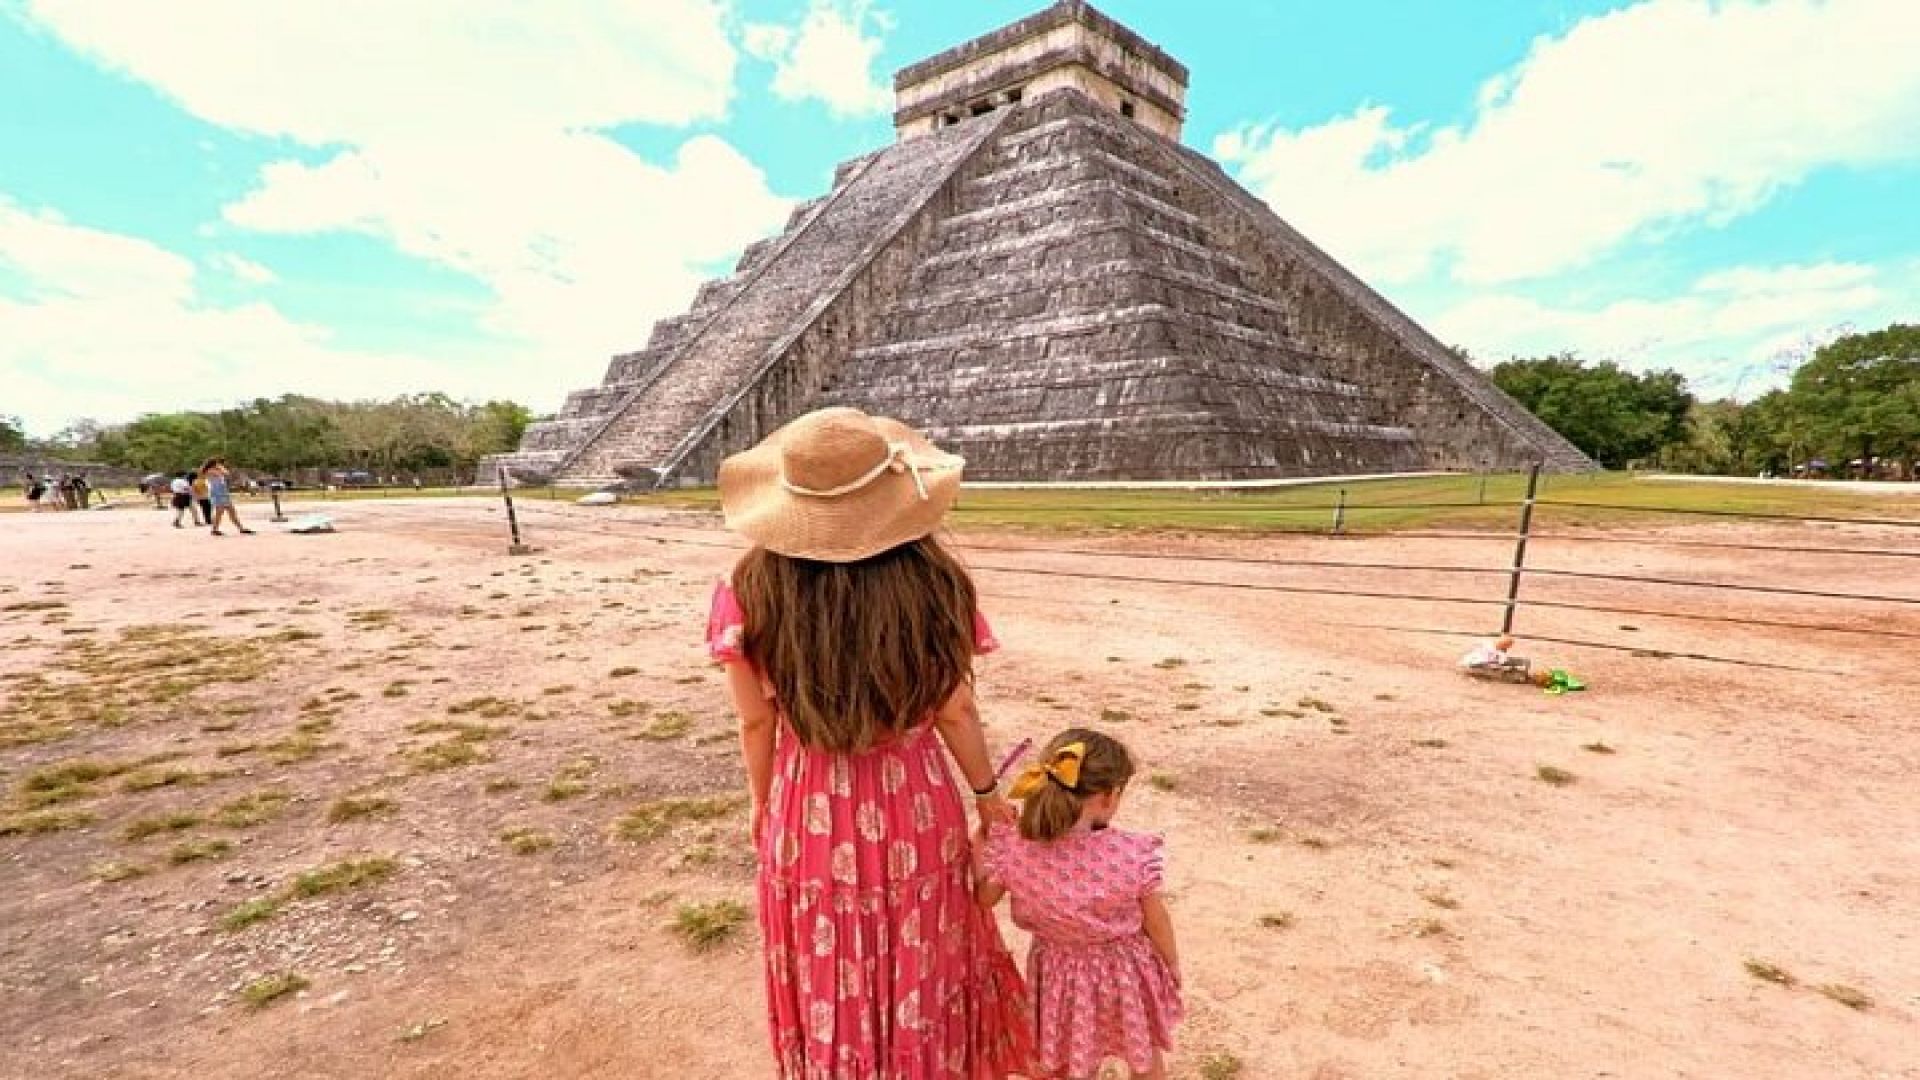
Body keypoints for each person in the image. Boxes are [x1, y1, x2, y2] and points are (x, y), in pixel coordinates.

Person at [707, 407, 1033, 1078]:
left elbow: (756, 722)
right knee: (924, 954)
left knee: (829, 966)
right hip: (915, 804)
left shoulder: (748, 589)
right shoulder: (935, 584)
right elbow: (956, 710)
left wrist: (762, 802)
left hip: (808, 809)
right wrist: (985, 794)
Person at [976, 729, 1183, 1080]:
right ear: (1107, 796)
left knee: (1073, 1059)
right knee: (1144, 1057)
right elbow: (1156, 919)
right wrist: (1172, 963)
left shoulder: (1014, 848)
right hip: (1124, 973)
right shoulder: (1130, 853)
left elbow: (984, 897)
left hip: (1059, 978)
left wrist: (982, 843)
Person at [200, 458, 254, 536]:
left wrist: (220, 467)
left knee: (232, 511)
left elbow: (225, 474)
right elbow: (226, 473)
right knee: (219, 512)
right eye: (217, 463)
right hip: (217, 493)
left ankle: (241, 528)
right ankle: (214, 529)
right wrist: (220, 467)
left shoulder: (215, 470)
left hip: (223, 492)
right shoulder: (210, 471)